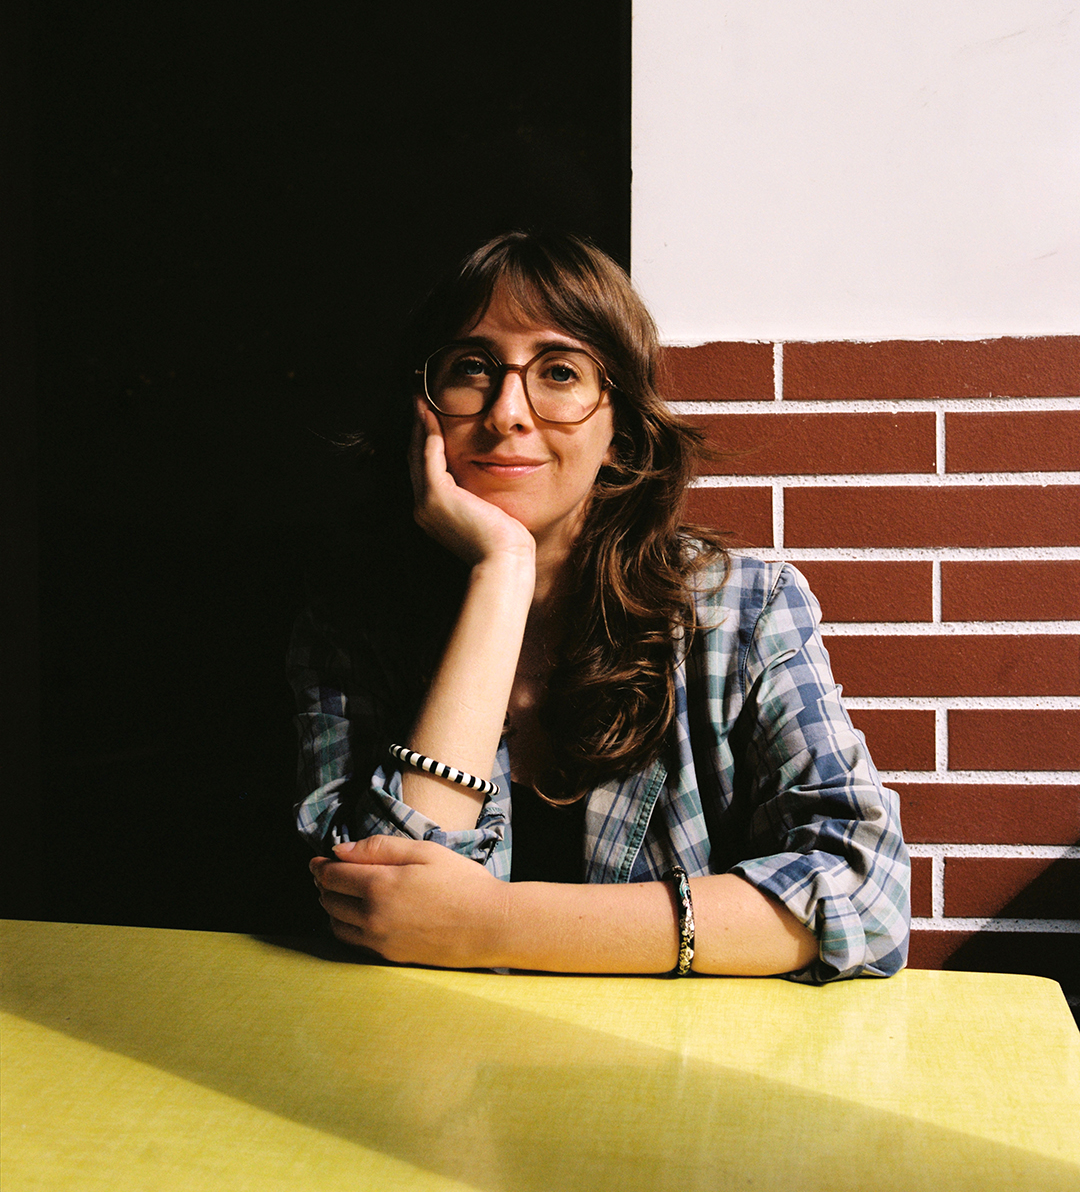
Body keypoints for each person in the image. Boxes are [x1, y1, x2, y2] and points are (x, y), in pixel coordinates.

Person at [290, 231, 910, 981]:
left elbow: (863, 894)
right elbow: (375, 909)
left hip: (665, 1055)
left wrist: (494, 923)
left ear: (619, 428)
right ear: (424, 413)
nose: (506, 413)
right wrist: (501, 571)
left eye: (559, 372)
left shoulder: (743, 613)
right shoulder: (354, 622)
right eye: (472, 368)